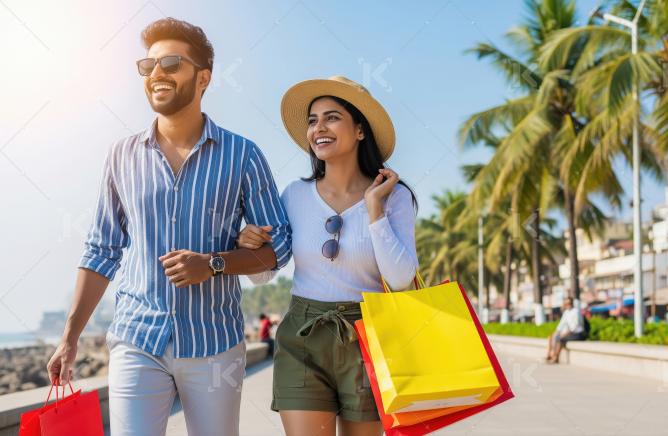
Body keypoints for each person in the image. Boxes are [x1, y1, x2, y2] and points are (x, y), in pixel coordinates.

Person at [46, 18, 291, 436]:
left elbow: (281, 244)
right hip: (137, 339)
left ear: (204, 77)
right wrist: (69, 338)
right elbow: (102, 250)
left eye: (172, 63)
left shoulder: (243, 154)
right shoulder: (120, 156)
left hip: (215, 344)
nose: (157, 73)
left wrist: (214, 263)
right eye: (148, 66)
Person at [237, 76, 418, 436]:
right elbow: (263, 276)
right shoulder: (293, 195)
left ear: (360, 130)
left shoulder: (394, 197)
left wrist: (374, 210)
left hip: (369, 338)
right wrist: (250, 247)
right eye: (312, 120)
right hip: (303, 335)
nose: (319, 127)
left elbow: (400, 279)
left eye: (332, 117)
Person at [545, 297, 585, 364]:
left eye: (569, 303)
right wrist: (556, 332)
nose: (568, 305)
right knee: (551, 336)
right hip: (570, 333)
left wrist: (565, 334)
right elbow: (561, 325)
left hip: (578, 334)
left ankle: (556, 357)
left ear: (572, 304)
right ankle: (549, 355)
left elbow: (574, 327)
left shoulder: (576, 311)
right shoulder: (566, 312)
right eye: (566, 303)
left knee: (561, 338)